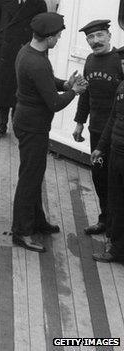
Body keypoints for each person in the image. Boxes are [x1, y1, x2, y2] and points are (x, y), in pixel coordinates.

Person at [10, 12, 86, 252]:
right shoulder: (38, 61)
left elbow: (46, 81)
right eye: (58, 35)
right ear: (49, 37)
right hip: (33, 125)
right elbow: (54, 103)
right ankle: (21, 232)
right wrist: (74, 91)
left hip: (27, 120)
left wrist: (65, 84)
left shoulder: (29, 51)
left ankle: (37, 221)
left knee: (34, 173)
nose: (60, 38)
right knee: (30, 178)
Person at [72, 20, 123, 236]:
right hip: (96, 132)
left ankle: (116, 228)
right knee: (100, 178)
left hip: (117, 136)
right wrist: (79, 122)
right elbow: (86, 94)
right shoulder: (90, 61)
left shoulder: (119, 62)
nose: (96, 41)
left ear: (109, 36)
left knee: (116, 183)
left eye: (100, 36)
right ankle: (105, 220)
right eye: (91, 38)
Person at [0, 0, 47, 137]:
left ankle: (16, 124)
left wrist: (42, 53)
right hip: (3, 51)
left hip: (25, 53)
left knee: (19, 92)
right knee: (2, 92)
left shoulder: (39, 4)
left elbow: (43, 30)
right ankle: (2, 123)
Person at [91, 47, 124, 263]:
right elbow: (113, 118)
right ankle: (114, 242)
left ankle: (116, 250)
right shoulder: (122, 86)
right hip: (116, 153)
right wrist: (100, 146)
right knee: (115, 199)